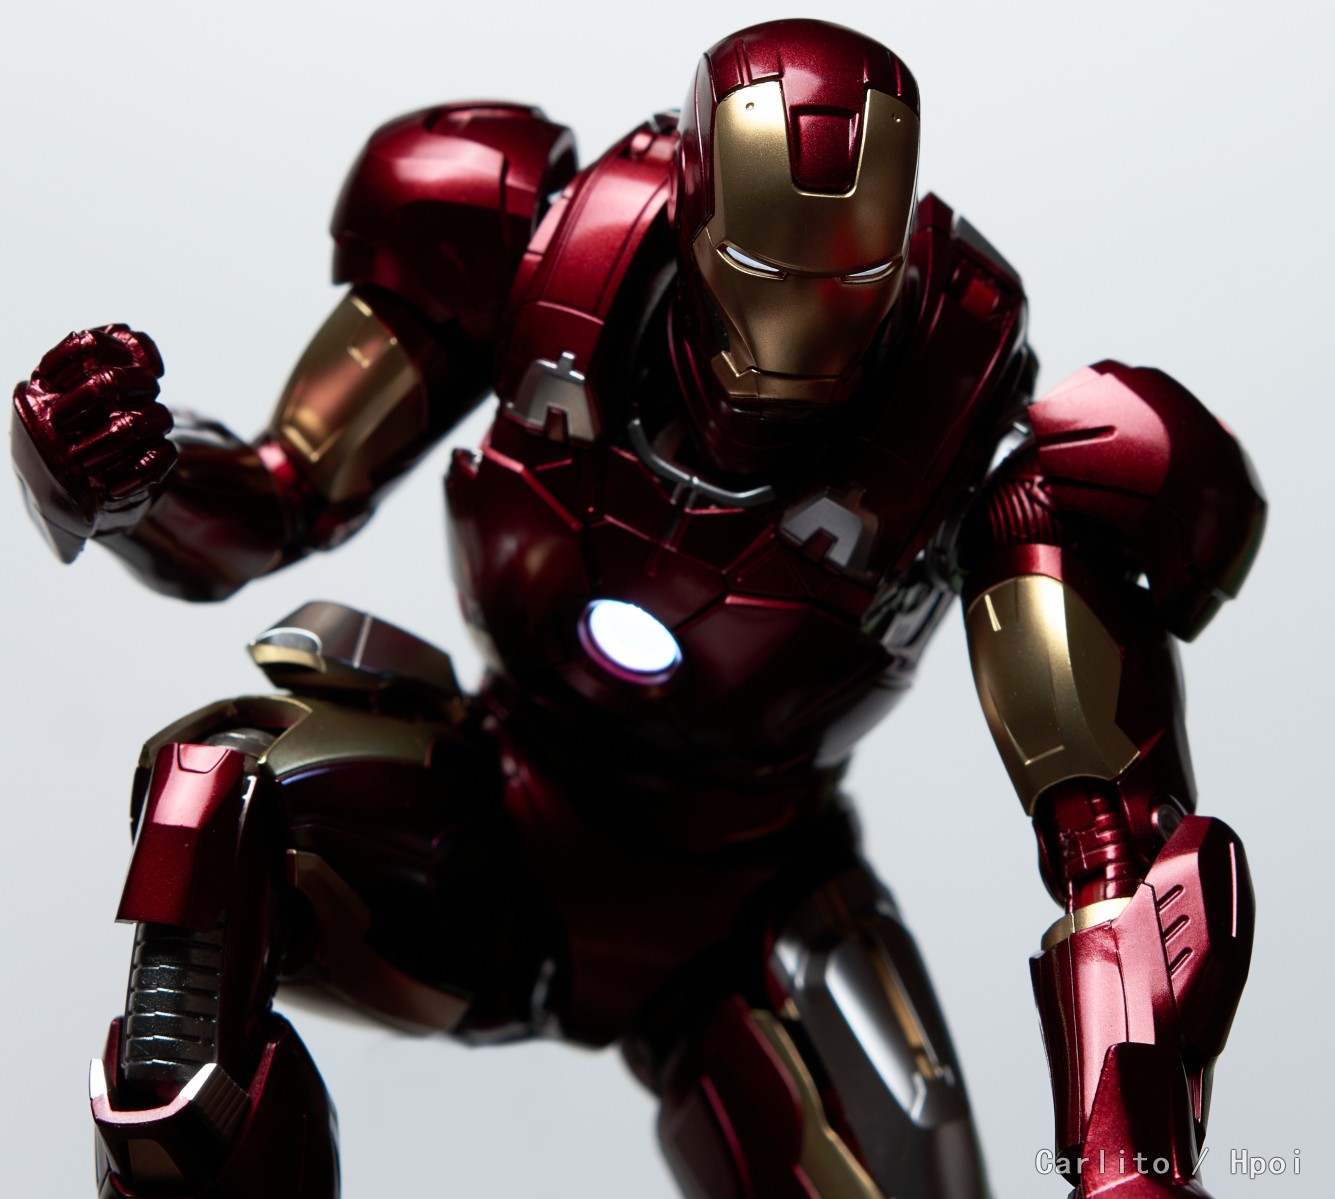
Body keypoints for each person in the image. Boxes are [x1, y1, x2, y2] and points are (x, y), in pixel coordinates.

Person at [11, 19, 1264, 1199]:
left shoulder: (972, 435)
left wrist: (1136, 1155)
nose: (796, 338)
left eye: (847, 284)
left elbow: (1118, 849)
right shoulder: (535, 256)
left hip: (750, 902)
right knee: (220, 795)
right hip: (491, 819)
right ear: (695, 213)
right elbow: (280, 491)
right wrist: (135, 478)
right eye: (766, 274)